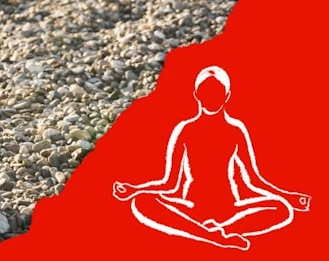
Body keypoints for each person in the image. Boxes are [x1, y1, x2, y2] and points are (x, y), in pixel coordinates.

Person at [113, 66, 311, 250]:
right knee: (142, 201)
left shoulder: (235, 131)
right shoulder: (186, 130)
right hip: (193, 206)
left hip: (229, 208)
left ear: (226, 95)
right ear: (197, 95)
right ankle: (213, 237)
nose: (211, 98)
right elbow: (170, 184)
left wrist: (289, 198)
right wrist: (134, 190)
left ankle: (216, 232)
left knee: (282, 209)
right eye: (206, 92)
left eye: (217, 92)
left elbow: (253, 180)